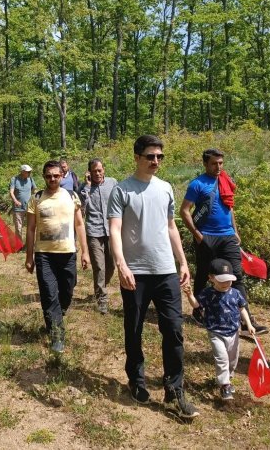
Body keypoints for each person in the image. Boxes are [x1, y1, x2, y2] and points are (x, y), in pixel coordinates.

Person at [107, 135, 199, 419]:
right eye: (150, 156)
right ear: (137, 157)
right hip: (135, 273)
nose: (155, 161)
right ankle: (136, 380)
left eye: (159, 156)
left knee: (173, 329)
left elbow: (171, 226)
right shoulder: (122, 191)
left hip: (166, 271)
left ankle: (174, 389)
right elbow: (114, 230)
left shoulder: (166, 188)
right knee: (133, 329)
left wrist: (183, 262)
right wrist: (121, 265)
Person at [180, 148, 268, 335]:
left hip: (227, 236)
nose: (218, 166)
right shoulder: (197, 184)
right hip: (206, 236)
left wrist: (235, 231)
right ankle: (199, 310)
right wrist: (197, 235)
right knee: (205, 273)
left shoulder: (225, 181)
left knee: (236, 275)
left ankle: (246, 322)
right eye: (214, 163)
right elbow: (184, 211)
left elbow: (229, 207)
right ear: (205, 164)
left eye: (221, 163)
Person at [25, 160, 90, 354]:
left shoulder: (72, 196)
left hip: (68, 252)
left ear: (62, 176)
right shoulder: (36, 198)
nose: (52, 179)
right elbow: (30, 229)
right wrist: (29, 256)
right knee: (48, 292)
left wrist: (85, 251)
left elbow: (79, 225)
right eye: (48, 176)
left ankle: (56, 315)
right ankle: (57, 334)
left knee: (68, 291)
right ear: (43, 177)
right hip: (44, 254)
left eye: (56, 176)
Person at [182, 259, 255, 401]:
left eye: (229, 280)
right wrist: (190, 295)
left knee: (233, 359)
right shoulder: (208, 293)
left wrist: (248, 325)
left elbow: (242, 309)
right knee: (222, 358)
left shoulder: (235, 293)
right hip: (216, 332)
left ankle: (228, 378)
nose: (226, 283)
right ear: (211, 278)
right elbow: (197, 305)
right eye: (222, 280)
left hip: (234, 332)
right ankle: (225, 385)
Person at [79, 158, 118, 314]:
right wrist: (87, 187)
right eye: (94, 171)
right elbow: (83, 209)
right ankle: (102, 299)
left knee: (111, 266)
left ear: (104, 170)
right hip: (93, 231)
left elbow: (121, 201)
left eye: (99, 170)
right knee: (99, 266)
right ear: (89, 172)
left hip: (111, 230)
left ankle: (101, 286)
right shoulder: (83, 188)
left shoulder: (113, 182)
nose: (97, 173)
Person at [9, 164, 36, 240]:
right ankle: (19, 244)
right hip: (18, 208)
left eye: (30, 171)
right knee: (18, 227)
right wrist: (15, 201)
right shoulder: (14, 179)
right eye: (28, 172)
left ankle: (29, 243)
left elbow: (34, 189)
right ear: (22, 171)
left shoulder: (30, 179)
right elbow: (11, 192)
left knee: (30, 226)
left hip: (29, 207)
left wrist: (34, 198)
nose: (29, 173)